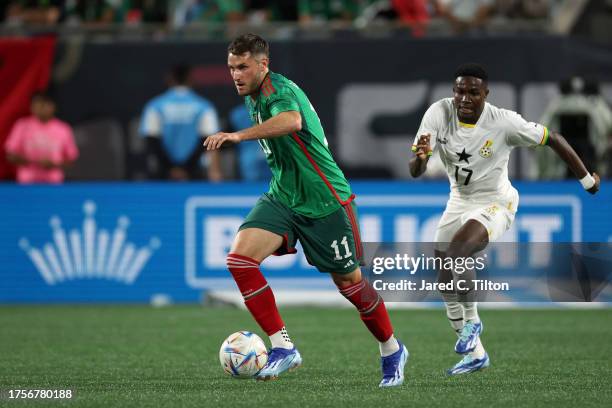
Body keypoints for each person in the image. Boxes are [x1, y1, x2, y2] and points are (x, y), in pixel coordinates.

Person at [204, 33, 408, 387]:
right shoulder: (253, 95)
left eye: (243, 67)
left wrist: (237, 136)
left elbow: (292, 122)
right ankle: (283, 347)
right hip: (283, 195)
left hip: (325, 200)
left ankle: (391, 349)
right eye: (231, 68)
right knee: (239, 260)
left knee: (350, 285)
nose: (235, 74)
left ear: (263, 65)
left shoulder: (277, 91)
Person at [409, 63, 600, 376]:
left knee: (458, 253)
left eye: (473, 92)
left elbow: (555, 139)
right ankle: (475, 354)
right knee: (444, 279)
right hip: (459, 200)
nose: (465, 98)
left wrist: (587, 181)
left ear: (486, 94)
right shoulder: (437, 114)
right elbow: (415, 170)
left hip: (497, 202)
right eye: (459, 91)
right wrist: (419, 158)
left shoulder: (505, 122)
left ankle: (473, 322)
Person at [139, 65, 222, 181]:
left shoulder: (155, 105)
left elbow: (152, 140)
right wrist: (185, 169)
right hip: (194, 172)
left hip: (163, 173)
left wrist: (171, 169)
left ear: (169, 79)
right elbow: (207, 140)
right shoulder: (204, 106)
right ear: (190, 79)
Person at [4, 92, 78, 184]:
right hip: (27, 183)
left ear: (53, 106)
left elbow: (71, 159)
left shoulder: (63, 129)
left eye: (43, 105)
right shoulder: (22, 125)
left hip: (53, 183)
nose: (40, 109)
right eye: (36, 105)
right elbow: (10, 155)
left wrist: (53, 164)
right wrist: (30, 161)